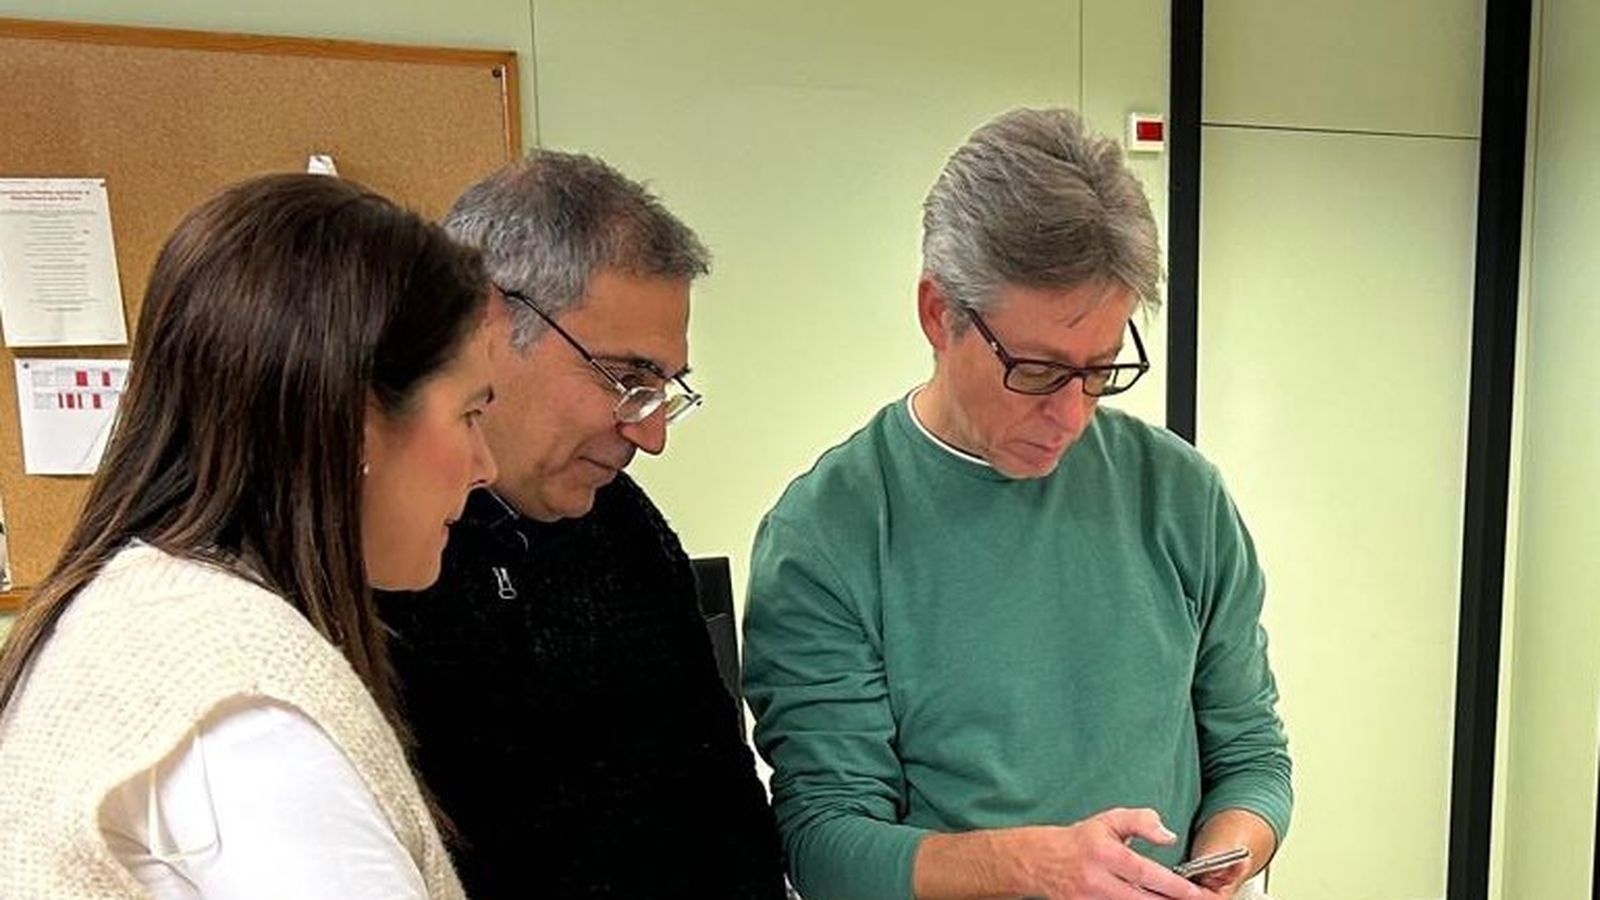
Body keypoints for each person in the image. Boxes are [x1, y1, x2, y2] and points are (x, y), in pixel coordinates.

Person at [742, 108, 1292, 900]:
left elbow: (1252, 759)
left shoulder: (1180, 497)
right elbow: (827, 843)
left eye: (1101, 370)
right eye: (1036, 369)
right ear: (939, 314)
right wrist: (1036, 869)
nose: (1070, 416)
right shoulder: (829, 536)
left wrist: (1221, 861)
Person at [0, 173, 497, 898]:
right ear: (355, 425)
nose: (485, 466)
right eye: (471, 415)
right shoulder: (250, 720)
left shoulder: (139, 616)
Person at [378, 150, 787, 898]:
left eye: (666, 387)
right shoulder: (376, 556)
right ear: (488, 319)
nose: (652, 433)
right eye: (627, 379)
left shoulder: (623, 525)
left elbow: (725, 801)